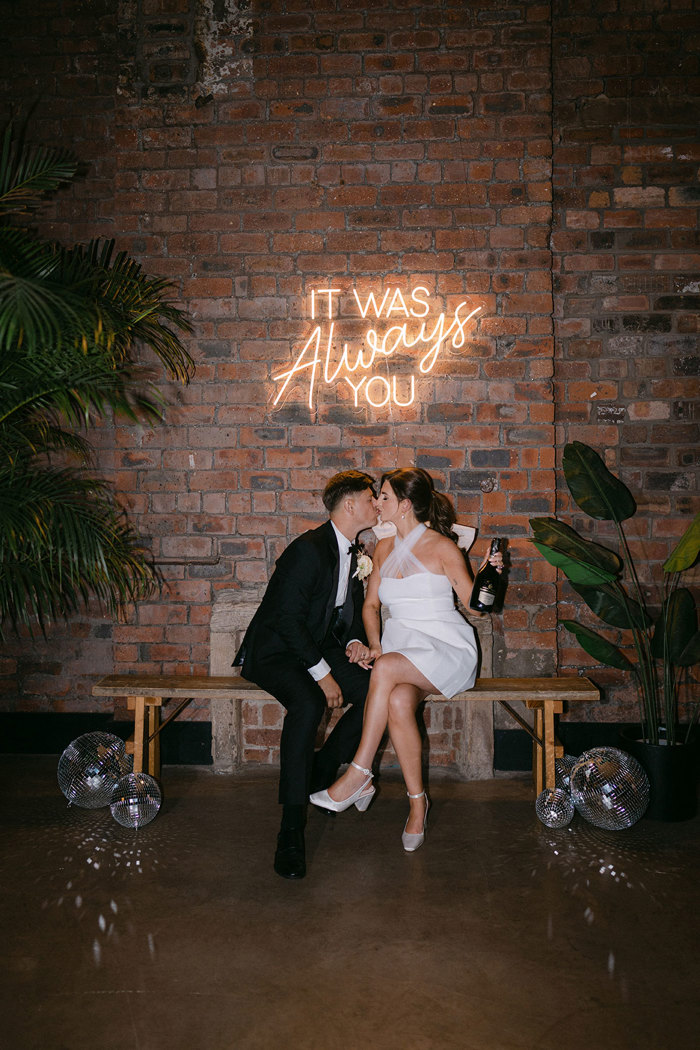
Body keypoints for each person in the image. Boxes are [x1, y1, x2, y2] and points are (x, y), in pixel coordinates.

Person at [309, 467, 502, 852]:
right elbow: (370, 607)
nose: (376, 503)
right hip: (401, 650)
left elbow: (476, 609)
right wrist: (377, 644)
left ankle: (359, 773)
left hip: (445, 647)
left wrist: (488, 577)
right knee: (397, 699)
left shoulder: (442, 548)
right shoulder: (382, 549)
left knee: (387, 669)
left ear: (405, 505)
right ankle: (417, 805)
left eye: (383, 497)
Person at [234, 470, 378, 880]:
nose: (375, 504)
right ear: (349, 505)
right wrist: (323, 675)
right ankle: (291, 830)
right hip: (277, 651)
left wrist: (352, 643)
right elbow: (286, 620)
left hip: (316, 647)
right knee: (310, 701)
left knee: (374, 687)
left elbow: (346, 615)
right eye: (370, 498)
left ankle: (322, 768)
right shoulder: (308, 550)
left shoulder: (357, 551)